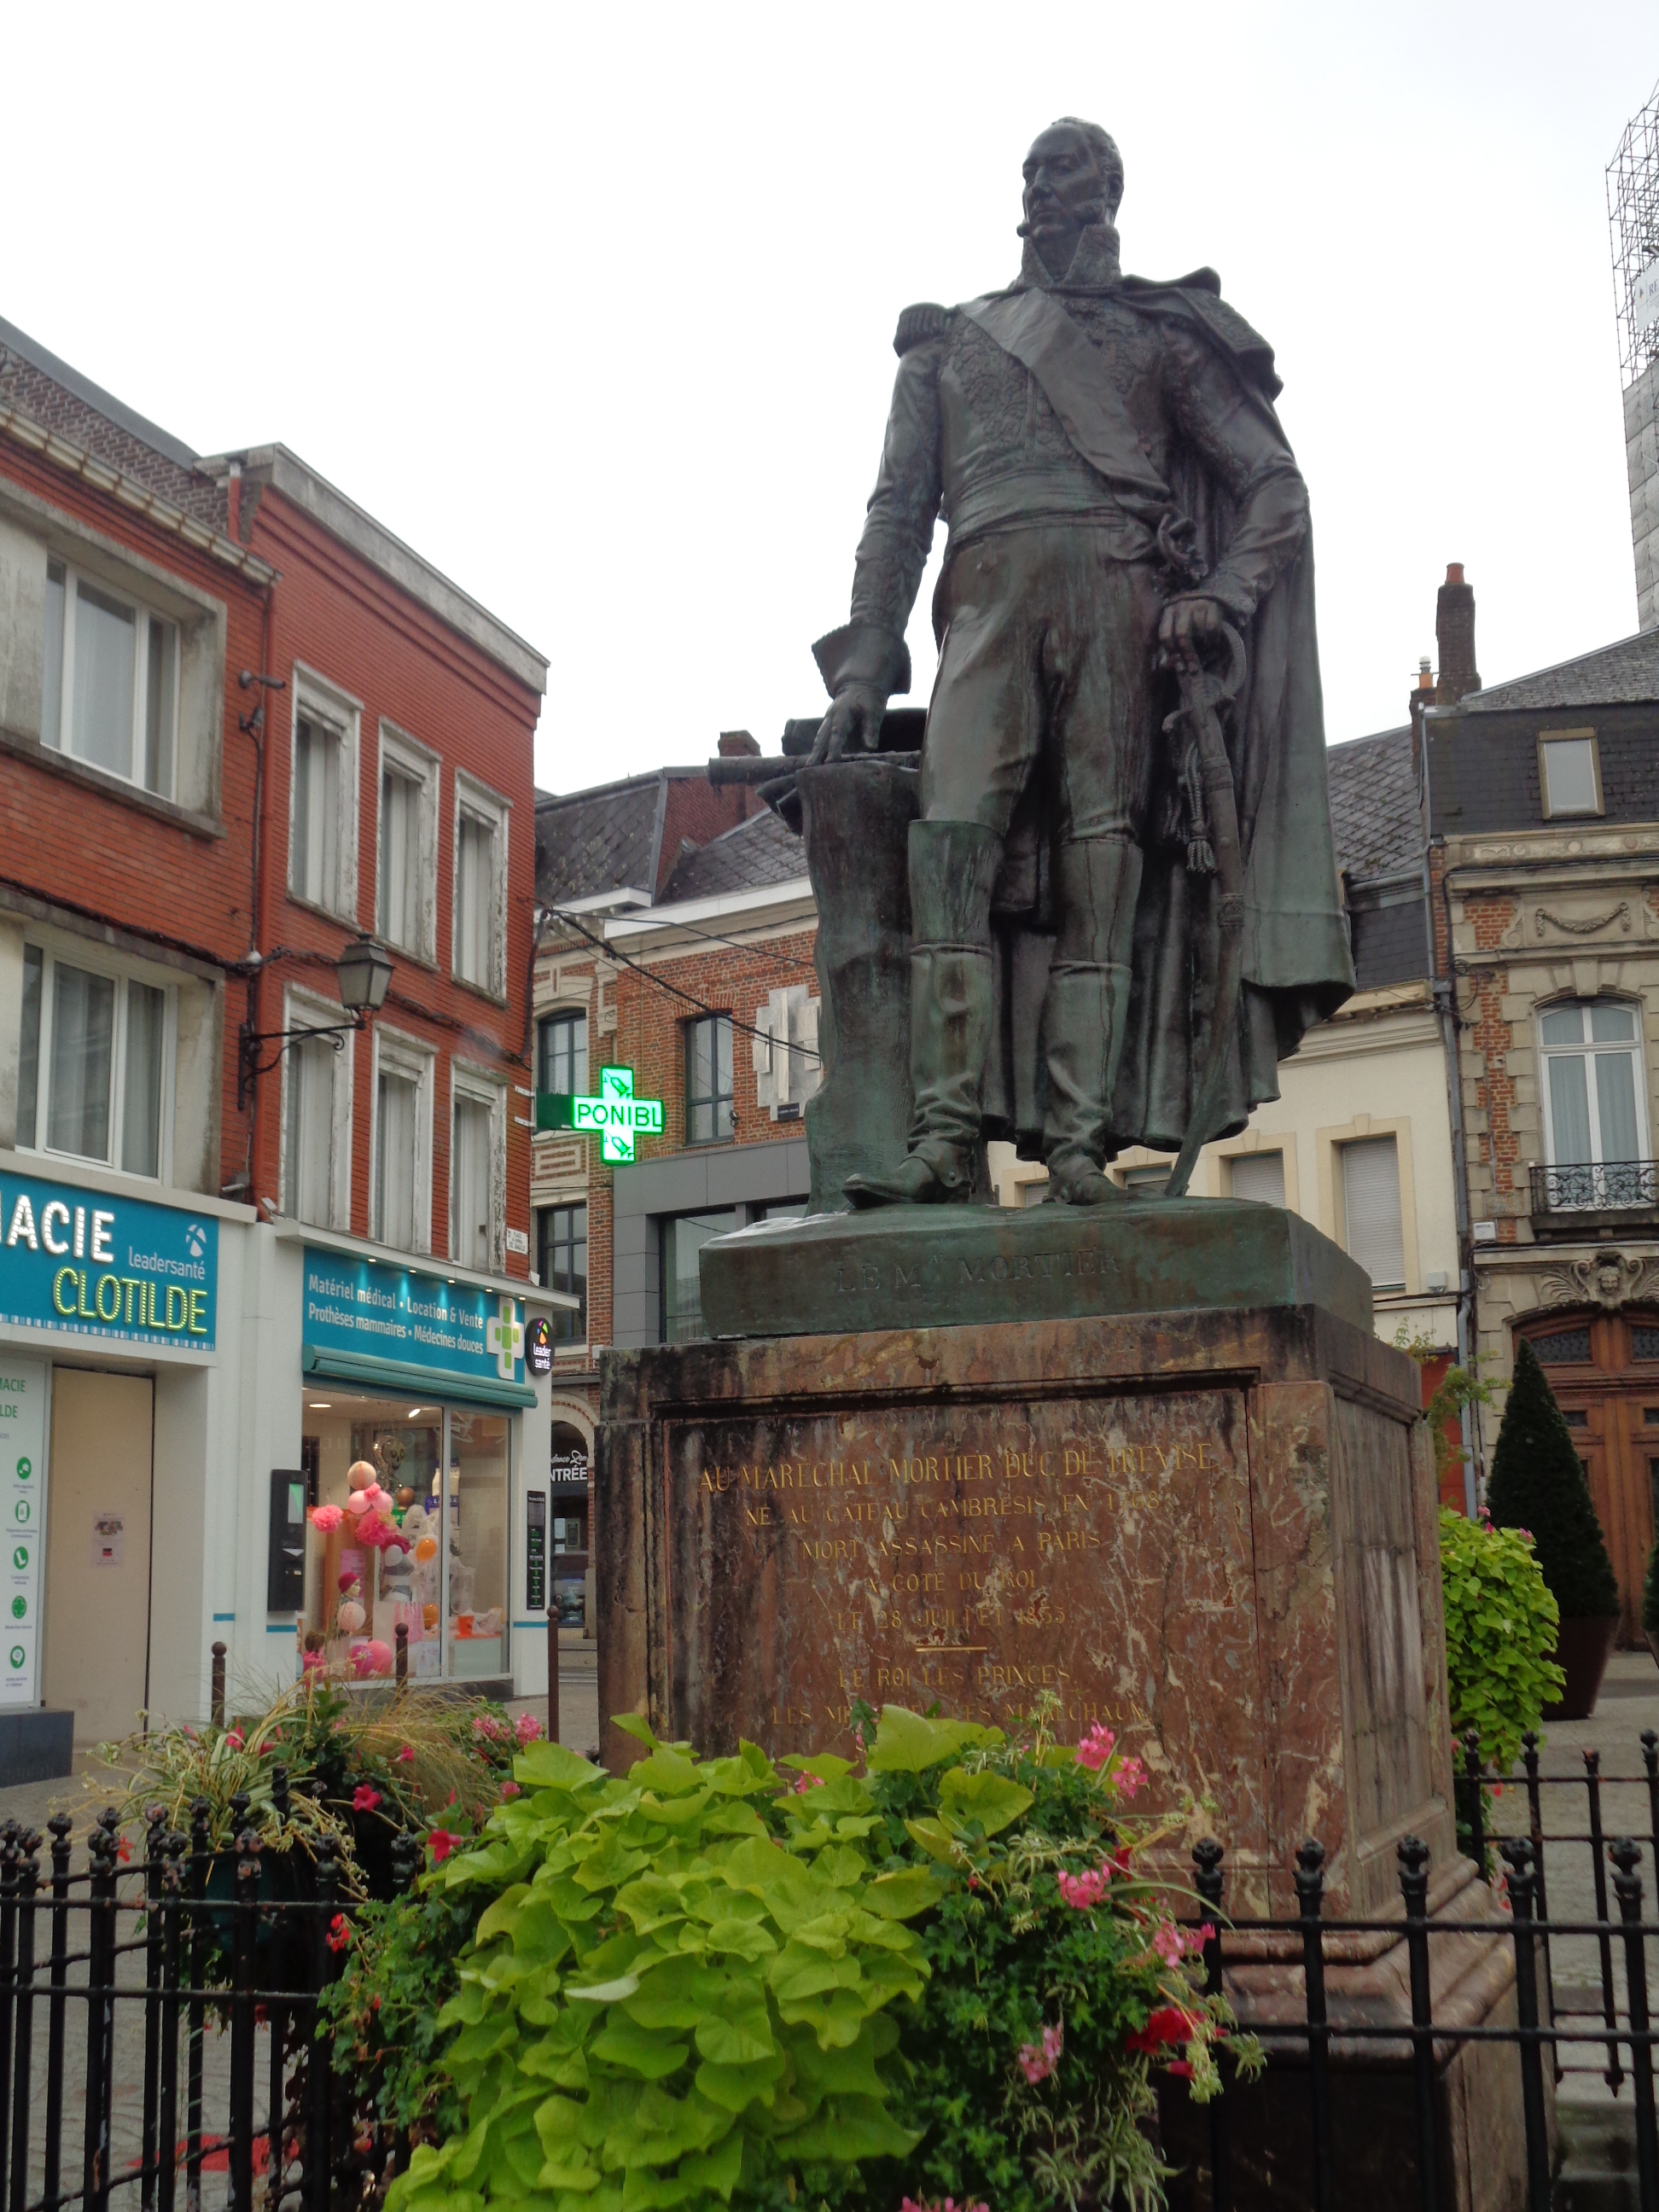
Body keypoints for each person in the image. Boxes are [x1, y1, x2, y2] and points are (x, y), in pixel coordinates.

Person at [812, 118, 1352, 1206]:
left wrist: (1222, 594)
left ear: (1109, 191)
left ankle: (1076, 1143)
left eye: (1062, 169)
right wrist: (866, 667)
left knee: (1102, 880)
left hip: (1121, 612)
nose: (1039, 186)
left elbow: (1273, 487)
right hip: (985, 613)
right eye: (1030, 171)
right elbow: (897, 512)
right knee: (948, 858)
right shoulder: (950, 342)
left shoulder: (1164, 337)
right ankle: (941, 1137)